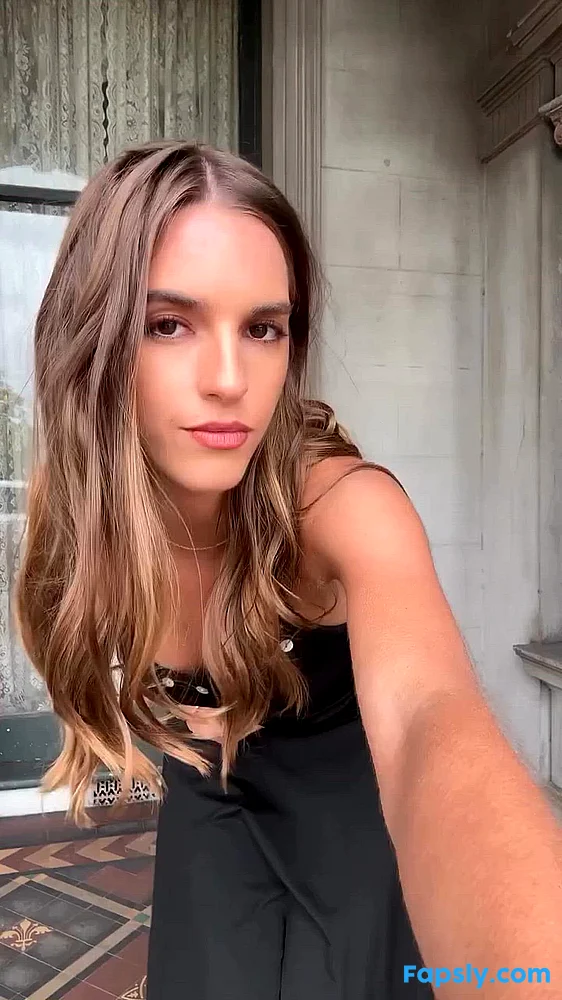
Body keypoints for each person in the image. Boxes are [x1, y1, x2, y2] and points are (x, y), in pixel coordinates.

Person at [15, 140, 561, 1000]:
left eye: (263, 328)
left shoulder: (343, 505)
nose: (229, 379)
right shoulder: (83, 507)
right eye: (169, 324)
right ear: (95, 338)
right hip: (209, 791)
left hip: (351, 818)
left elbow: (431, 717)